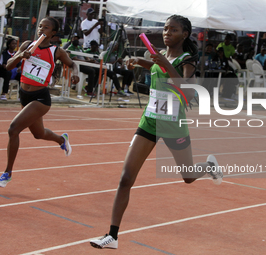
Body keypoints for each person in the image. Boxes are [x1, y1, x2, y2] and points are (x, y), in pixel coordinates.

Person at [89, 14, 223, 249]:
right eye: (165, 29)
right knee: (125, 178)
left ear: (184, 34)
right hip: (149, 121)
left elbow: (187, 92)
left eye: (173, 30)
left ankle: (210, 166)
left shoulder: (187, 59)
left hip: (173, 125)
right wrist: (143, 63)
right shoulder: (161, 57)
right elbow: (159, 69)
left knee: (188, 176)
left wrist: (163, 62)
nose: (167, 33)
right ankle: (112, 236)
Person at [0, 17, 79, 188]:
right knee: (38, 134)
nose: (41, 29)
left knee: (13, 129)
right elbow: (8, 66)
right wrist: (20, 55)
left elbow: (73, 64)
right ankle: (61, 140)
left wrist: (75, 73)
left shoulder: (57, 51)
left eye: (46, 27)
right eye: (40, 26)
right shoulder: (27, 45)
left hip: (40, 98)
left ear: (53, 33)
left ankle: (7, 173)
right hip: (24, 95)